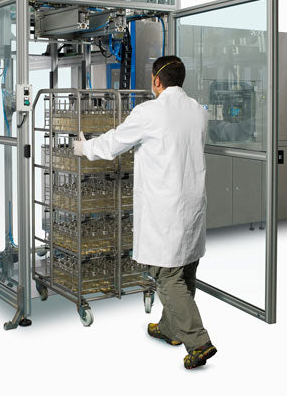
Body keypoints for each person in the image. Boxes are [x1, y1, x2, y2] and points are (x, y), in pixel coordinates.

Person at [74, 55, 217, 370]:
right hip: (192, 205)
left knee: (167, 276)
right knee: (185, 269)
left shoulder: (150, 112)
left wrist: (85, 148)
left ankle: (199, 342)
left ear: (156, 80)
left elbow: (114, 143)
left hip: (166, 208)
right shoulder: (198, 111)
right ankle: (170, 329)